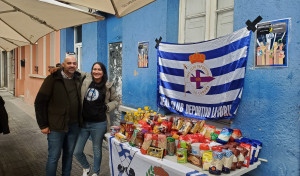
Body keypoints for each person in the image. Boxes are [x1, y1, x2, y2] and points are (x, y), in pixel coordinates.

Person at [35, 56, 83, 176]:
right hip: (56, 126)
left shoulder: (78, 78)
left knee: (68, 156)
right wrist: (43, 124)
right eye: (69, 63)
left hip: (74, 126)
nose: (72, 65)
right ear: (63, 65)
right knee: (53, 157)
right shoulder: (53, 78)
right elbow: (39, 102)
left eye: (74, 63)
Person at [74, 62, 119, 176]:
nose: (96, 71)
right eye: (94, 69)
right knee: (77, 151)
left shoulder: (108, 86)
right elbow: (76, 70)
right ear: (91, 70)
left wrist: (108, 107)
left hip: (99, 124)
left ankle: (95, 172)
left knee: (97, 150)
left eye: (99, 69)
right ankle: (86, 167)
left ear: (103, 72)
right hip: (84, 123)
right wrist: (60, 68)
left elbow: (116, 100)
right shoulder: (87, 79)